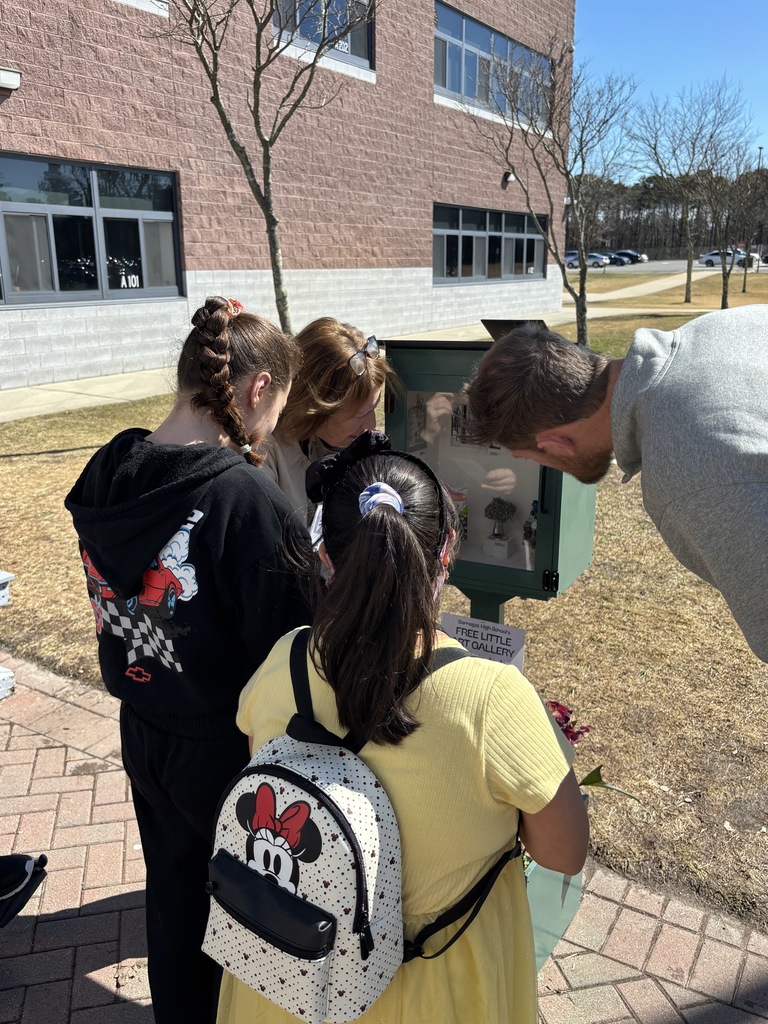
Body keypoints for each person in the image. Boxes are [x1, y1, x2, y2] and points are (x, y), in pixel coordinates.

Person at [217, 430, 589, 1024]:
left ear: (325, 555)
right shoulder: (491, 697)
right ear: (446, 553)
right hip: (437, 991)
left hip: (292, 980)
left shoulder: (284, 661)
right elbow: (565, 853)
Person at [64, 296, 312, 1024]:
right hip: (229, 750)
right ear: (256, 389)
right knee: (253, 917)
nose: (270, 430)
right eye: (276, 409)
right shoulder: (241, 499)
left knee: (173, 903)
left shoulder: (109, 470)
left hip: (144, 728)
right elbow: (294, 651)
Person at [463, 308, 768, 663]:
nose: (541, 466)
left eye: (531, 458)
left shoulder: (690, 472)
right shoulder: (720, 326)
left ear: (558, 444)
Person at [263, 317, 392, 522]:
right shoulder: (262, 454)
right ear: (313, 405)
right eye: (359, 414)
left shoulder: (336, 442)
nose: (371, 425)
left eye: (374, 409)